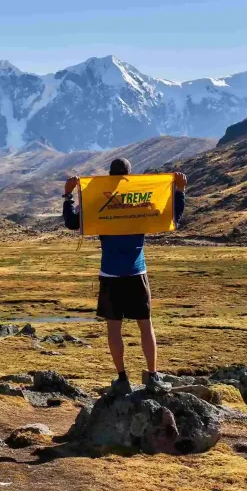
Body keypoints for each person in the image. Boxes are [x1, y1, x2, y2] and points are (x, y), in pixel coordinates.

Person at [63, 158, 187, 394]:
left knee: (113, 328)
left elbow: (71, 222)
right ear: (130, 175)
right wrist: (179, 190)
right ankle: (152, 376)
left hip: (110, 274)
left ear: (110, 175)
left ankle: (122, 379)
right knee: (145, 326)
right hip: (136, 272)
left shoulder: (99, 200)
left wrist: (68, 195)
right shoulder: (142, 202)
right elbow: (171, 216)